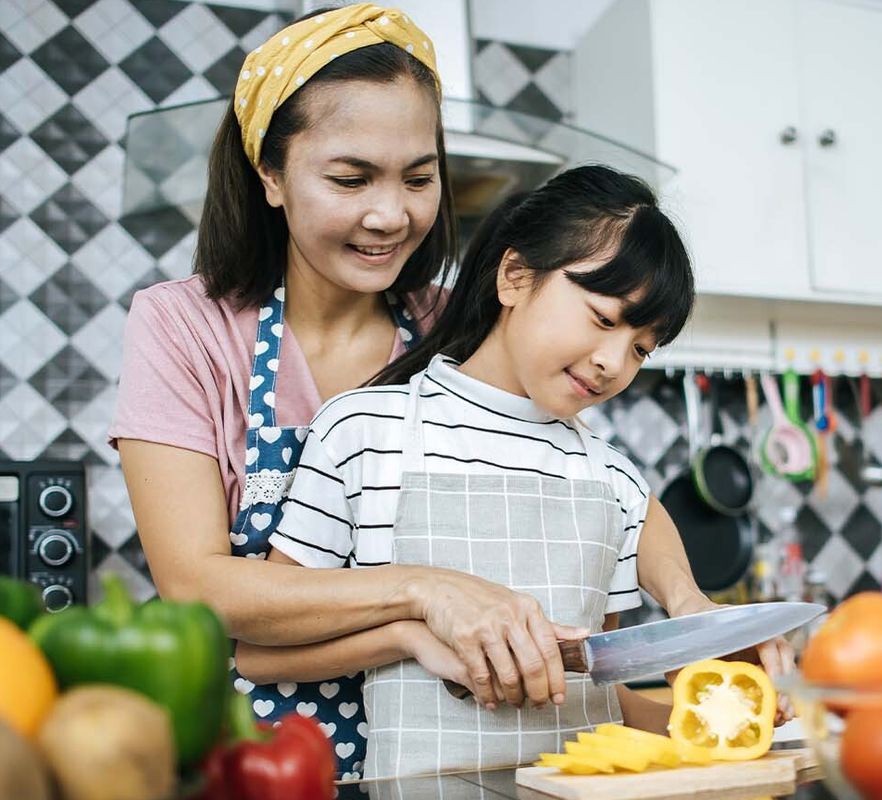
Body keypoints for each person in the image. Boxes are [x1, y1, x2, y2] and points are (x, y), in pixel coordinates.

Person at [108, 4, 750, 782]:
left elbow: (605, 481)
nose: (393, 214)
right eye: (351, 178)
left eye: (419, 178)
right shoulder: (186, 325)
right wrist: (427, 595)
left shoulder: (457, 327)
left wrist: (687, 601)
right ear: (270, 175)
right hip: (263, 763)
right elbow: (197, 589)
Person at [240, 165, 796, 779]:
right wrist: (408, 637)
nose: (614, 361)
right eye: (604, 319)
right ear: (514, 276)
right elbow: (263, 652)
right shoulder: (365, 432)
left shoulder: (606, 477)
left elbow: (592, 700)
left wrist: (723, 704)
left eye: (642, 348)